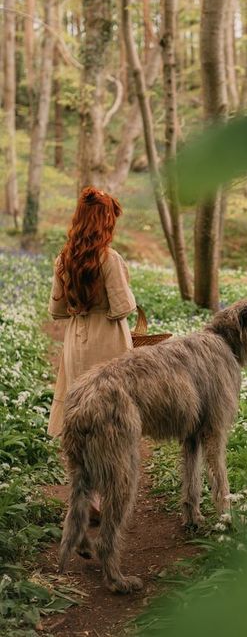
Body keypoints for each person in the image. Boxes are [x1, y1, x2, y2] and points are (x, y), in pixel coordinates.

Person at [48, 186, 137, 520]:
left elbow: (57, 310)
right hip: (109, 343)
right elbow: (122, 308)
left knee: (80, 417)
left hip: (77, 340)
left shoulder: (64, 257)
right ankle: (105, 494)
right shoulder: (109, 259)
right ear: (104, 222)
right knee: (108, 420)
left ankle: (85, 495)